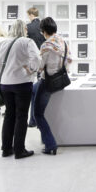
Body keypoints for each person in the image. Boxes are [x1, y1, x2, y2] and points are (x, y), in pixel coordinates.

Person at [0, 20, 41, 159]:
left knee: (9, 115)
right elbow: (37, 59)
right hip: (21, 82)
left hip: (5, 83)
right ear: (24, 29)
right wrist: (31, 70)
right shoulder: (27, 42)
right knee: (21, 116)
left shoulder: (3, 43)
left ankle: (6, 148)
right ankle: (20, 149)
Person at [33, 17, 71, 155]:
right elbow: (69, 61)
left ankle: (50, 144)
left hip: (48, 83)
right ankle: (35, 124)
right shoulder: (63, 42)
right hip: (60, 80)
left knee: (38, 114)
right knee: (33, 90)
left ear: (43, 31)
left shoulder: (46, 45)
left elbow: (40, 66)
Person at [25, 7, 46, 127]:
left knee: (33, 91)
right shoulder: (43, 26)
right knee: (40, 89)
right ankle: (38, 118)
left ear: (30, 15)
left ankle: (32, 119)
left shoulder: (28, 27)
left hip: (32, 61)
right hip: (43, 60)